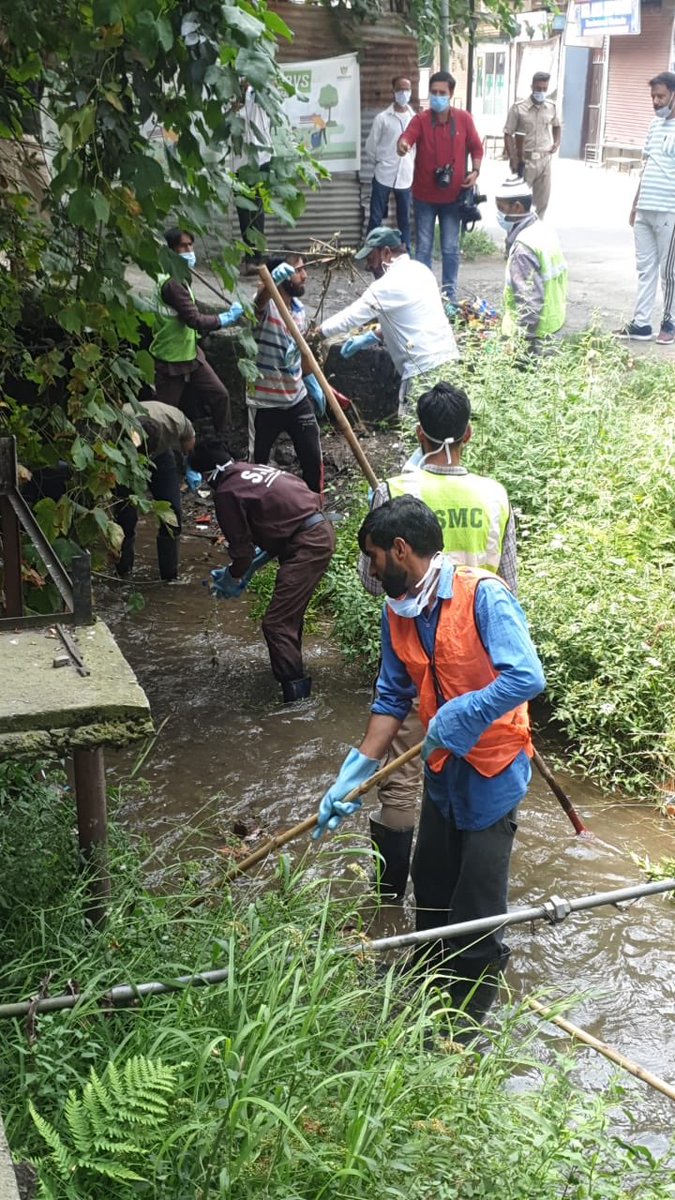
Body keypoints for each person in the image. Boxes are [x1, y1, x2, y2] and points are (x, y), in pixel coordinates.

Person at [314, 495, 545, 1009]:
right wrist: (357, 771)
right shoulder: (397, 612)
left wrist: (464, 713)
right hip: (442, 769)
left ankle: (466, 1019)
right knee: (432, 883)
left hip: (493, 769)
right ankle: (426, 985)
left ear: (400, 551)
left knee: (478, 906)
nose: (372, 572)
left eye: (374, 558)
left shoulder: (484, 595)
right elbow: (392, 697)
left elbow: (526, 675)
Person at [356, 383, 518, 902]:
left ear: (418, 432)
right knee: (458, 780)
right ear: (468, 434)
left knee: (402, 778)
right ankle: (439, 898)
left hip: (423, 653)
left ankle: (387, 900)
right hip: (482, 659)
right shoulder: (494, 494)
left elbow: (370, 579)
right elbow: (509, 580)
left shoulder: (394, 487)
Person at [190, 442, 335, 702]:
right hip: (317, 530)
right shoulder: (250, 470)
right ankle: (295, 669)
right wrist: (247, 569)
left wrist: (234, 575)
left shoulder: (226, 492)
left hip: (307, 544)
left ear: (207, 476)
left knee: (276, 623)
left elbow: (242, 551)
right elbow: (281, 526)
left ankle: (296, 698)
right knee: (287, 615)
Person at [318, 226, 459, 414]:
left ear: (386, 253)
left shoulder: (386, 284)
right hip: (449, 361)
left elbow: (350, 317)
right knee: (447, 428)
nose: (368, 267)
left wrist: (316, 333)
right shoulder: (421, 270)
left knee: (415, 431)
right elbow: (413, 320)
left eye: (371, 259)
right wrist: (373, 336)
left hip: (421, 372)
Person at [396, 70, 483, 302]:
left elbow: (476, 147)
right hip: (424, 197)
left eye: (442, 93)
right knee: (423, 248)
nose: (437, 97)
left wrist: (475, 172)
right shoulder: (421, 120)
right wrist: (403, 145)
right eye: (433, 92)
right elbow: (406, 137)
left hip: (454, 198)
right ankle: (423, 295)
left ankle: (449, 295)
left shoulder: (464, 119)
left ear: (451, 94)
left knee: (450, 248)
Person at [243, 253, 324, 494]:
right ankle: (256, 512)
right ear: (280, 276)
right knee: (257, 465)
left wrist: (314, 383)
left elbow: (299, 354)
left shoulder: (298, 310)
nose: (304, 275)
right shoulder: (266, 306)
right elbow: (258, 304)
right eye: (298, 270)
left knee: (312, 457)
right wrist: (269, 285)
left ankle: (314, 509)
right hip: (265, 402)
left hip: (297, 398)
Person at [150, 228, 234, 441]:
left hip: (190, 354)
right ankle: (167, 458)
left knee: (220, 395)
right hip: (170, 359)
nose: (189, 251)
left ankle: (221, 444)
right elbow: (194, 320)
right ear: (171, 252)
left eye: (191, 245)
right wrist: (224, 319)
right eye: (183, 246)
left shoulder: (181, 278)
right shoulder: (172, 283)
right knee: (165, 416)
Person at [616, 71, 675, 345]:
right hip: (646, 208)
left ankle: (669, 323)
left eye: (660, 96)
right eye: (653, 96)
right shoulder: (654, 125)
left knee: (669, 271)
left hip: (669, 210)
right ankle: (641, 324)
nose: (655, 101)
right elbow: (647, 165)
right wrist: (634, 204)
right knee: (645, 268)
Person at [116, 400, 196, 581]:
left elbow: (189, 440)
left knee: (172, 513)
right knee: (125, 517)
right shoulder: (115, 426)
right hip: (124, 462)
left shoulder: (174, 420)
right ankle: (123, 573)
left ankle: (169, 576)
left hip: (161, 457)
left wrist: (190, 466)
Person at [496, 176, 567, 352]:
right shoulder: (543, 230)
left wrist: (519, 343)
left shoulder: (523, 247)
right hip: (554, 324)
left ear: (517, 207)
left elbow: (528, 300)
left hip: (535, 339)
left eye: (501, 208)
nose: (499, 214)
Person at [364, 75, 416, 251]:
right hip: (383, 175)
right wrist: (381, 162)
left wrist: (410, 164)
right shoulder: (382, 118)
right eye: (400, 89)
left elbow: (415, 148)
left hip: (405, 177)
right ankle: (371, 252)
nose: (404, 93)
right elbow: (371, 146)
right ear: (393, 91)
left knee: (404, 220)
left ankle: (405, 252)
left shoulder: (414, 118)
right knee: (376, 217)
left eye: (407, 89)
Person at [503, 72, 561, 221]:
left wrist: (556, 142)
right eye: (538, 88)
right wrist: (513, 158)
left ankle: (535, 236)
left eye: (544, 88)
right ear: (532, 87)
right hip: (525, 161)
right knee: (520, 203)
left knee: (542, 204)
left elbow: (557, 125)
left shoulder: (551, 107)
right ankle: (514, 236)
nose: (541, 92)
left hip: (544, 160)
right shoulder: (518, 108)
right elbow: (508, 133)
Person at [234, 84, 273, 271]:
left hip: (259, 158)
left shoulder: (259, 92)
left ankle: (256, 256)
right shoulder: (232, 95)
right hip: (239, 161)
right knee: (243, 209)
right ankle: (252, 255)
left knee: (256, 207)